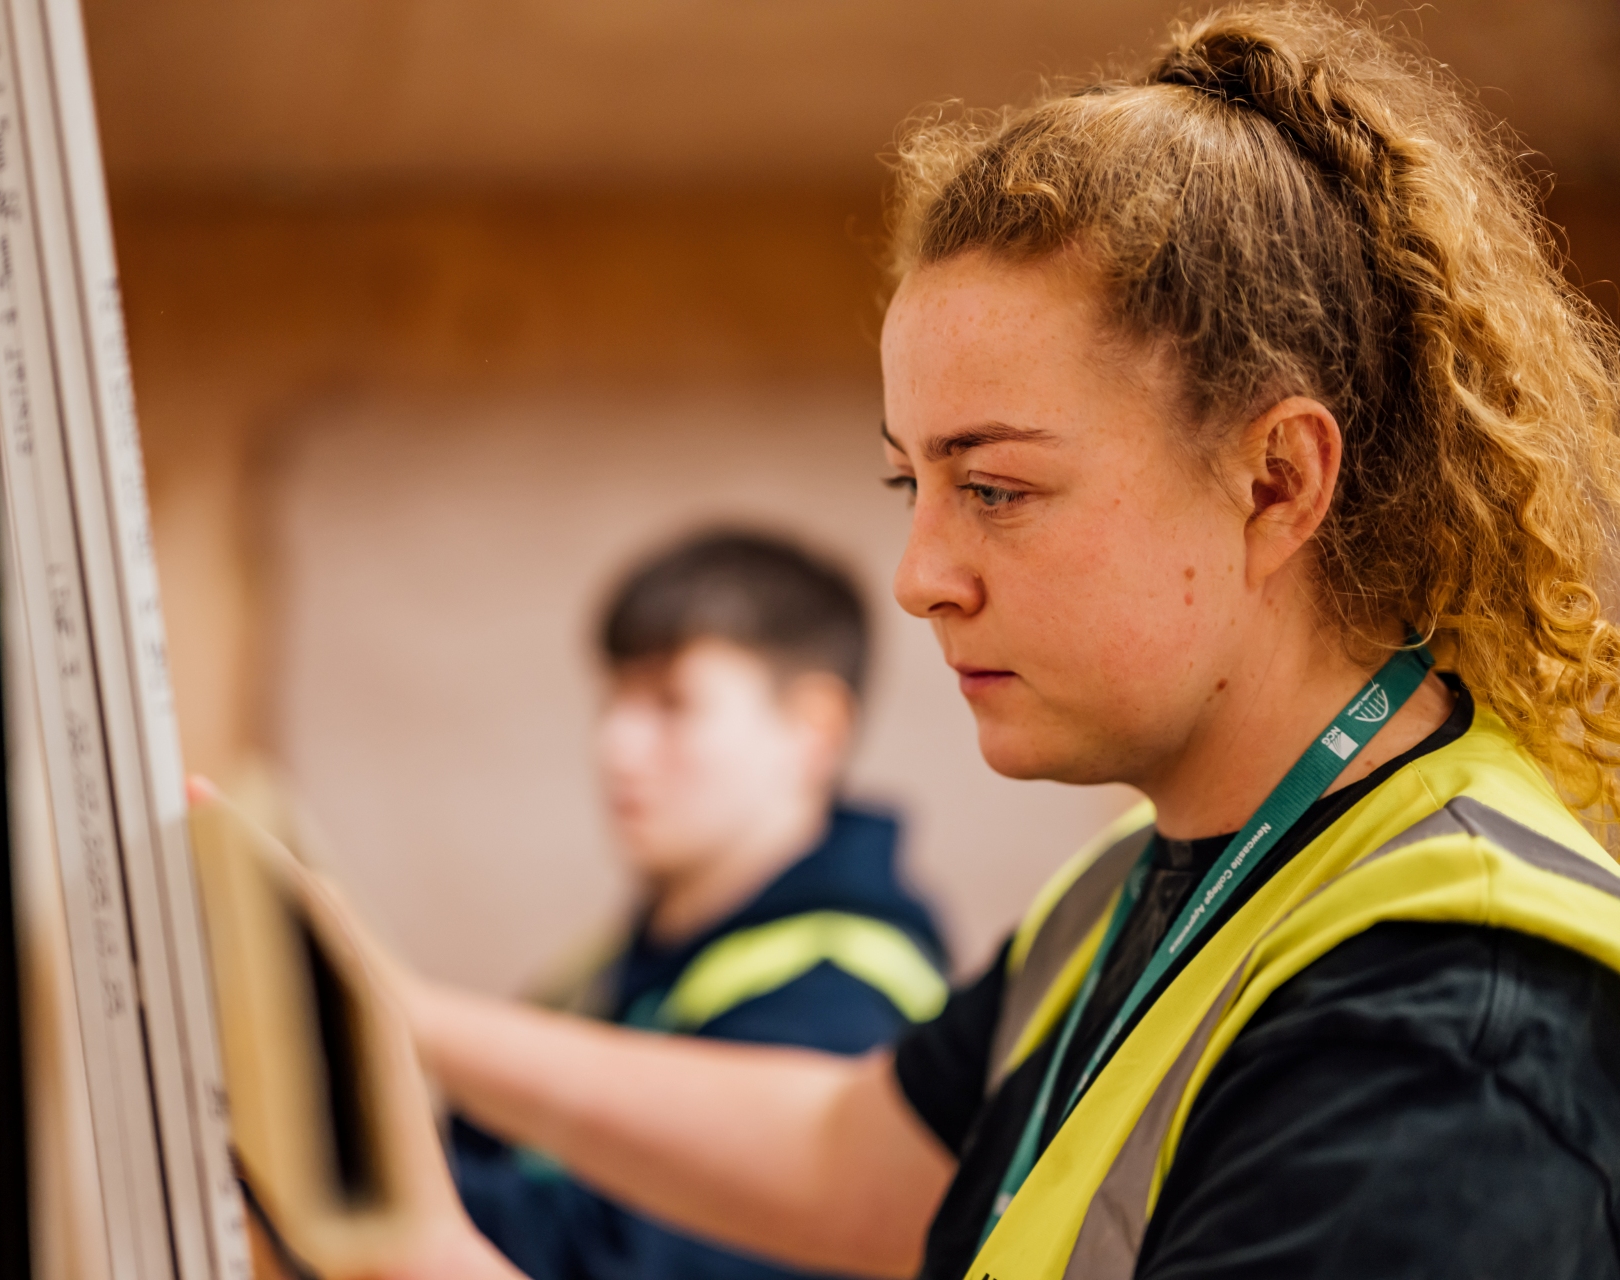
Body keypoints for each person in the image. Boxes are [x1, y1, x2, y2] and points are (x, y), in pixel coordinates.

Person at [313, 5, 1620, 1278]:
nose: (919, 579)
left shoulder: (1456, 1030)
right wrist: (387, 1010)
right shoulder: (1148, 869)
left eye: (994, 490)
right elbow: (856, 1159)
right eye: (911, 487)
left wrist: (416, 1261)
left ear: (1276, 483)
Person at [450, 529, 949, 1280]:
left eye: (671, 704)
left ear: (813, 729)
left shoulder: (841, 999)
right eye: (614, 698)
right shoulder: (620, 962)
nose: (615, 745)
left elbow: (634, 1262)